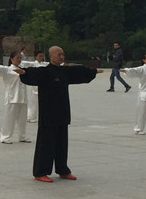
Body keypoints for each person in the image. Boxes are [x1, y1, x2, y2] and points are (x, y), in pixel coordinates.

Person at [18, 46, 101, 182]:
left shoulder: (65, 71)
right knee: (46, 143)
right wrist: (24, 72)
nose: (62, 57)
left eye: (63, 54)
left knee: (62, 143)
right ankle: (40, 172)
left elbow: (79, 72)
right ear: (50, 57)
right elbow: (31, 73)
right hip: (48, 114)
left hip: (62, 112)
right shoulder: (45, 72)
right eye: (59, 55)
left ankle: (62, 170)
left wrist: (93, 71)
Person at [20, 51, 47, 123]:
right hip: (35, 86)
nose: (41, 58)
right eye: (40, 56)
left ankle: (41, 116)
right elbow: (23, 63)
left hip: (43, 84)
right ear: (36, 57)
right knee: (34, 103)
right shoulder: (33, 64)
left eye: (42, 56)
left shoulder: (44, 64)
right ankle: (32, 116)